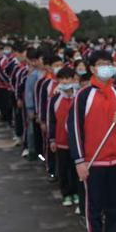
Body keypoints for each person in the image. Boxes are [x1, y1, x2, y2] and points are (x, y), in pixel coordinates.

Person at [68, 50, 116, 232]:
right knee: (94, 201)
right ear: (92, 68)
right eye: (101, 64)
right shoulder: (83, 96)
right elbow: (74, 128)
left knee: (115, 200)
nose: (107, 67)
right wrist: (79, 161)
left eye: (109, 63)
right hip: (94, 160)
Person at [48, 67, 79, 207]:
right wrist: (52, 139)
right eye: (62, 79)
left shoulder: (79, 98)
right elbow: (52, 121)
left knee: (76, 169)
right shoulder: (55, 99)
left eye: (68, 78)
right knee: (63, 169)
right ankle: (66, 193)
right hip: (61, 141)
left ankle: (77, 192)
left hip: (76, 142)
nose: (65, 81)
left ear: (73, 79)